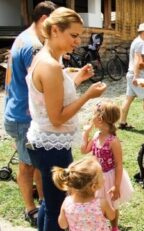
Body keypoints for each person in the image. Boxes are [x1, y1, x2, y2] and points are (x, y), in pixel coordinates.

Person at [25, 7, 107, 230]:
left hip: (46, 140)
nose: (78, 40)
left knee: (49, 202)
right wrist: (88, 96)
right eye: (73, 35)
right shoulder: (50, 65)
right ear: (54, 30)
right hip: (52, 143)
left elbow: (53, 97)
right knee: (57, 205)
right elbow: (57, 117)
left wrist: (77, 79)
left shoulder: (49, 58)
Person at [3, 2, 56, 226]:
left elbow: (9, 79)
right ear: (45, 19)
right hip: (25, 116)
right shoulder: (34, 46)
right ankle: (30, 208)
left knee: (35, 162)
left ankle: (42, 200)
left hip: (17, 110)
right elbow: (40, 84)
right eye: (55, 25)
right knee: (27, 165)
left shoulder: (21, 37)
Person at [81, 101, 134, 231]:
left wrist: (116, 185)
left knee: (112, 204)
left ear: (100, 119)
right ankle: (99, 224)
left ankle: (114, 227)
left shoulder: (113, 141)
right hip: (95, 177)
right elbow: (84, 150)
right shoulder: (96, 135)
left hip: (109, 178)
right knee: (97, 202)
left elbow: (118, 164)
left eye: (93, 113)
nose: (91, 116)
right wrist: (85, 133)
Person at [52, 155, 115, 231]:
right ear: (94, 187)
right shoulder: (102, 203)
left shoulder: (67, 202)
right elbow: (112, 216)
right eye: (101, 175)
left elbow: (63, 224)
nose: (103, 177)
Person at [119, 22, 144, 132]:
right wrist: (137, 76)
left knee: (128, 99)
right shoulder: (140, 43)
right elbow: (138, 61)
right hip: (137, 74)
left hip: (132, 74)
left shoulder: (138, 41)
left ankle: (122, 123)